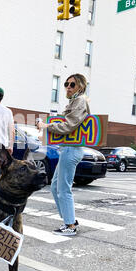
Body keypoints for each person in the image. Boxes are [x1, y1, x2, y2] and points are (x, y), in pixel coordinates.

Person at [38, 74, 90, 236]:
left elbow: (69, 126)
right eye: (66, 84)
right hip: (67, 149)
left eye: (72, 84)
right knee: (55, 187)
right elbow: (65, 126)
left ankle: (70, 226)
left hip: (72, 150)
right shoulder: (74, 101)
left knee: (64, 189)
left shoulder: (80, 101)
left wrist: (47, 126)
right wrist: (46, 133)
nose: (68, 87)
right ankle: (69, 220)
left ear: (80, 86)